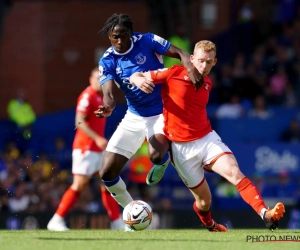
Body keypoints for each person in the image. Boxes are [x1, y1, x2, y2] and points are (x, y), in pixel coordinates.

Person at [129, 40, 285, 231]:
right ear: (192, 59)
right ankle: (211, 226)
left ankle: (265, 214)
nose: (204, 66)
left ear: (215, 62)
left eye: (209, 62)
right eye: (201, 61)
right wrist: (137, 79)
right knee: (204, 202)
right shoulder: (173, 73)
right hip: (182, 149)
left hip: (206, 139)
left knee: (235, 173)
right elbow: (136, 75)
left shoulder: (208, 83)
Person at [94, 13, 202, 212]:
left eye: (123, 35)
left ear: (131, 33)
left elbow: (180, 52)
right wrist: (107, 106)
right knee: (107, 172)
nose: (119, 40)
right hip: (134, 116)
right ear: (109, 36)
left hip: (161, 112)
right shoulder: (108, 60)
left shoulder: (147, 41)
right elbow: (108, 94)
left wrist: (191, 69)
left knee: (154, 156)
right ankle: (131, 211)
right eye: (114, 37)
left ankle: (162, 160)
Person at [47, 67, 123, 231]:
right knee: (79, 185)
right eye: (96, 78)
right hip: (85, 148)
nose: (99, 81)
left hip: (97, 149)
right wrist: (96, 138)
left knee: (108, 183)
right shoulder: (87, 96)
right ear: (90, 79)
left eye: (101, 78)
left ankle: (117, 223)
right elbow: (79, 121)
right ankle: (56, 220)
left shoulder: (100, 97)